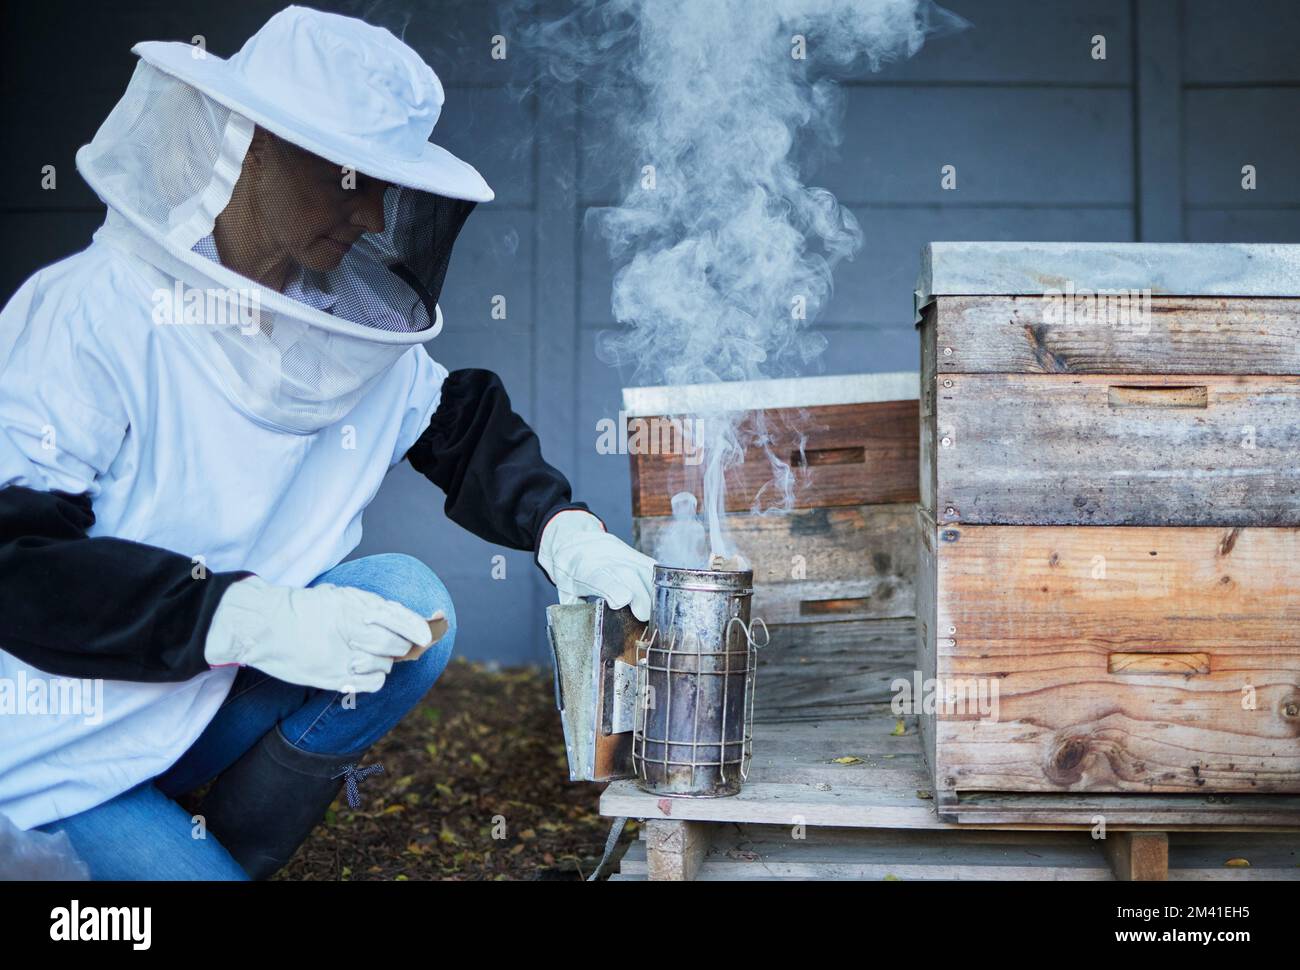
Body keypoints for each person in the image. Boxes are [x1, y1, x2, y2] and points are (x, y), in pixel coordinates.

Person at [0, 5, 655, 880]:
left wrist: (564, 532)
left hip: (204, 699)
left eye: (387, 183)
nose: (376, 212)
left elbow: (456, 425)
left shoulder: (337, 319)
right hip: (58, 746)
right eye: (348, 177)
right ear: (252, 147)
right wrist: (253, 618)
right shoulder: (90, 314)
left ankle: (225, 844)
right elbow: (17, 563)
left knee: (408, 599)